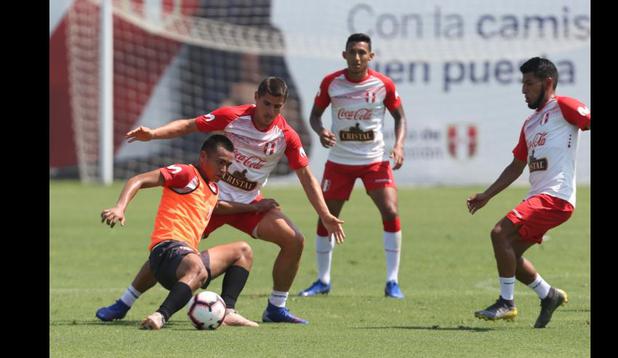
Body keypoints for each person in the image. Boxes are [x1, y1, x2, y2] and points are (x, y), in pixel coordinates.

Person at [97, 77, 345, 324]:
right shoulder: (232, 116)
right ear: (256, 98)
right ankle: (124, 303)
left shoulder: (286, 136)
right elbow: (189, 125)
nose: (270, 112)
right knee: (171, 250)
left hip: (249, 205)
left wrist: (324, 214)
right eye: (267, 104)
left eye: (277, 107)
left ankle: (275, 308)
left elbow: (306, 176)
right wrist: (153, 134)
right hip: (209, 202)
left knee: (294, 240)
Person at [467, 57, 590, 328]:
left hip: (556, 196)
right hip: (539, 197)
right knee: (509, 252)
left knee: (499, 233)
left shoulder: (565, 107)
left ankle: (506, 303)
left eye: (529, 83)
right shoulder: (530, 123)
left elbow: (589, 121)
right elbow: (516, 166)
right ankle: (549, 295)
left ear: (547, 83)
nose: (524, 90)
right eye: (522, 83)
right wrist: (487, 195)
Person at [100, 134, 265, 329]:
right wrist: (120, 207)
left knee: (243, 251)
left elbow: (217, 207)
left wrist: (254, 207)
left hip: (182, 258)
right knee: (196, 268)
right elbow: (139, 179)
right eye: (220, 162)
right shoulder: (186, 173)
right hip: (168, 249)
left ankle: (228, 311)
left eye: (228, 165)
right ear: (203, 156)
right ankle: (160, 315)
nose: (224, 169)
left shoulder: (212, 188)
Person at [298, 33, 408, 299]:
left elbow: (400, 117)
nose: (357, 57)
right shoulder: (331, 83)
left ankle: (392, 281)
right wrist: (321, 130)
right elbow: (314, 115)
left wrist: (399, 145)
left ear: (370, 56)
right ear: (344, 55)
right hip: (339, 161)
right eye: (352, 52)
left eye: (362, 53)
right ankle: (323, 280)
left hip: (375, 161)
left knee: (390, 211)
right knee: (327, 216)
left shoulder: (383, 84)